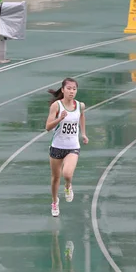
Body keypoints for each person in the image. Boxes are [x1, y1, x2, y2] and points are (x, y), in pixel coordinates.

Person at [45, 78, 88, 217]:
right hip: (57, 146)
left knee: (67, 174)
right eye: (69, 88)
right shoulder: (56, 106)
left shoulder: (80, 105)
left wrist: (83, 134)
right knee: (55, 177)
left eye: (74, 89)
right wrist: (60, 119)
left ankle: (68, 186)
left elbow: (81, 116)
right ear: (63, 90)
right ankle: (54, 202)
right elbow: (47, 127)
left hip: (72, 147)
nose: (71, 91)